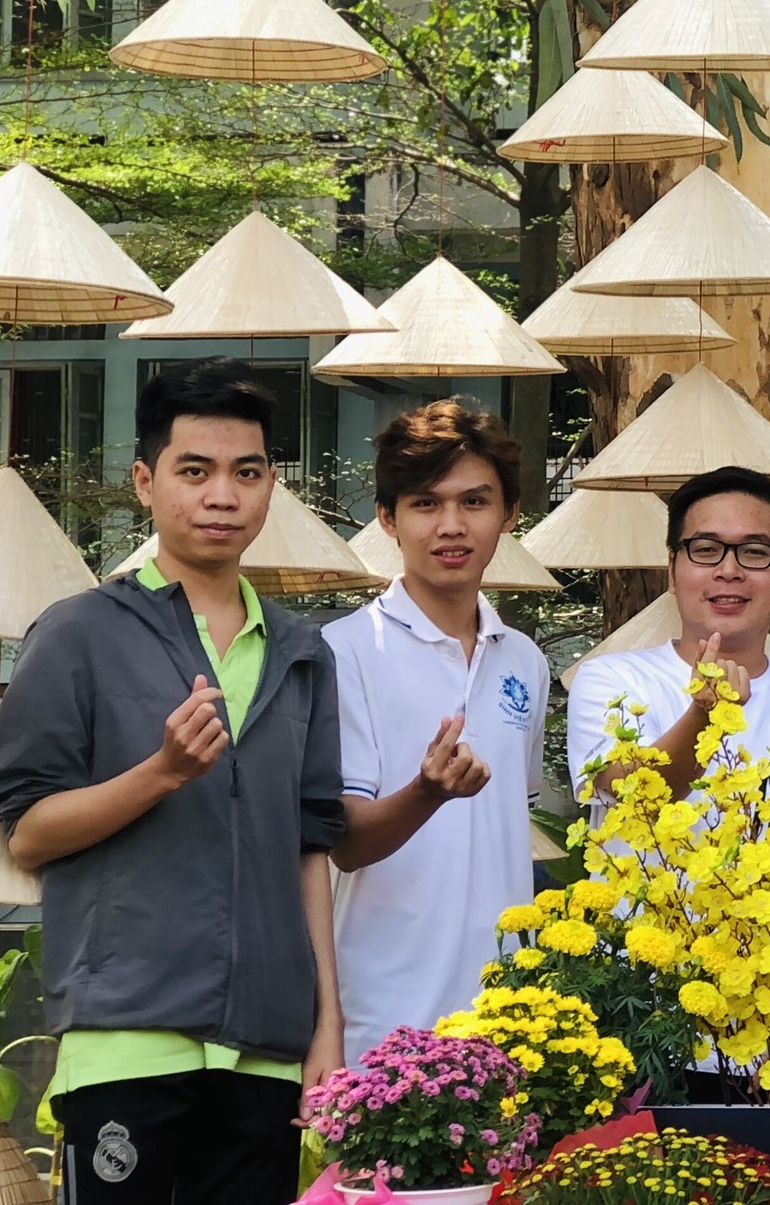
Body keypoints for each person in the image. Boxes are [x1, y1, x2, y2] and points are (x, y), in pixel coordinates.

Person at [0, 357, 346, 1204]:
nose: (222, 496)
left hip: (265, 1048)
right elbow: (29, 833)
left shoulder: (302, 653)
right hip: (125, 1036)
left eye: (246, 473)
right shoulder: (80, 633)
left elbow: (310, 852)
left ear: (271, 486)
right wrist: (161, 772)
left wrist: (326, 1025)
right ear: (146, 482)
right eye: (195, 471)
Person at [565, 465, 770, 1095]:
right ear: (672, 567)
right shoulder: (612, 680)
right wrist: (704, 712)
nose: (729, 570)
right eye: (705, 549)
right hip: (641, 1027)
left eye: (755, 552)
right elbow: (622, 786)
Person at [323, 400, 549, 1065]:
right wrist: (427, 792)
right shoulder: (342, 651)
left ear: (510, 514)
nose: (452, 525)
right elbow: (345, 844)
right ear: (388, 518)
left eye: (475, 501)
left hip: (510, 1024)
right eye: (425, 503)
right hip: (382, 1027)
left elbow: (508, 825)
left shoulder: (525, 660)